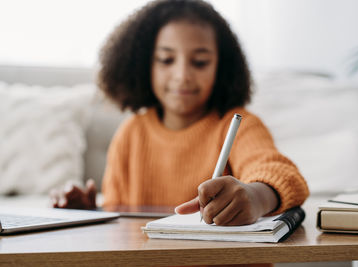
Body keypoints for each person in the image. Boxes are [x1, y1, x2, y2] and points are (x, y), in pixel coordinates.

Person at [51, 0, 309, 229]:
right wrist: (89, 215)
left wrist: (256, 197)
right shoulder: (130, 133)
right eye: (166, 59)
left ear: (222, 68)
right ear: (143, 64)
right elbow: (120, 226)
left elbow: (284, 175)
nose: (182, 75)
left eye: (199, 62)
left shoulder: (239, 124)